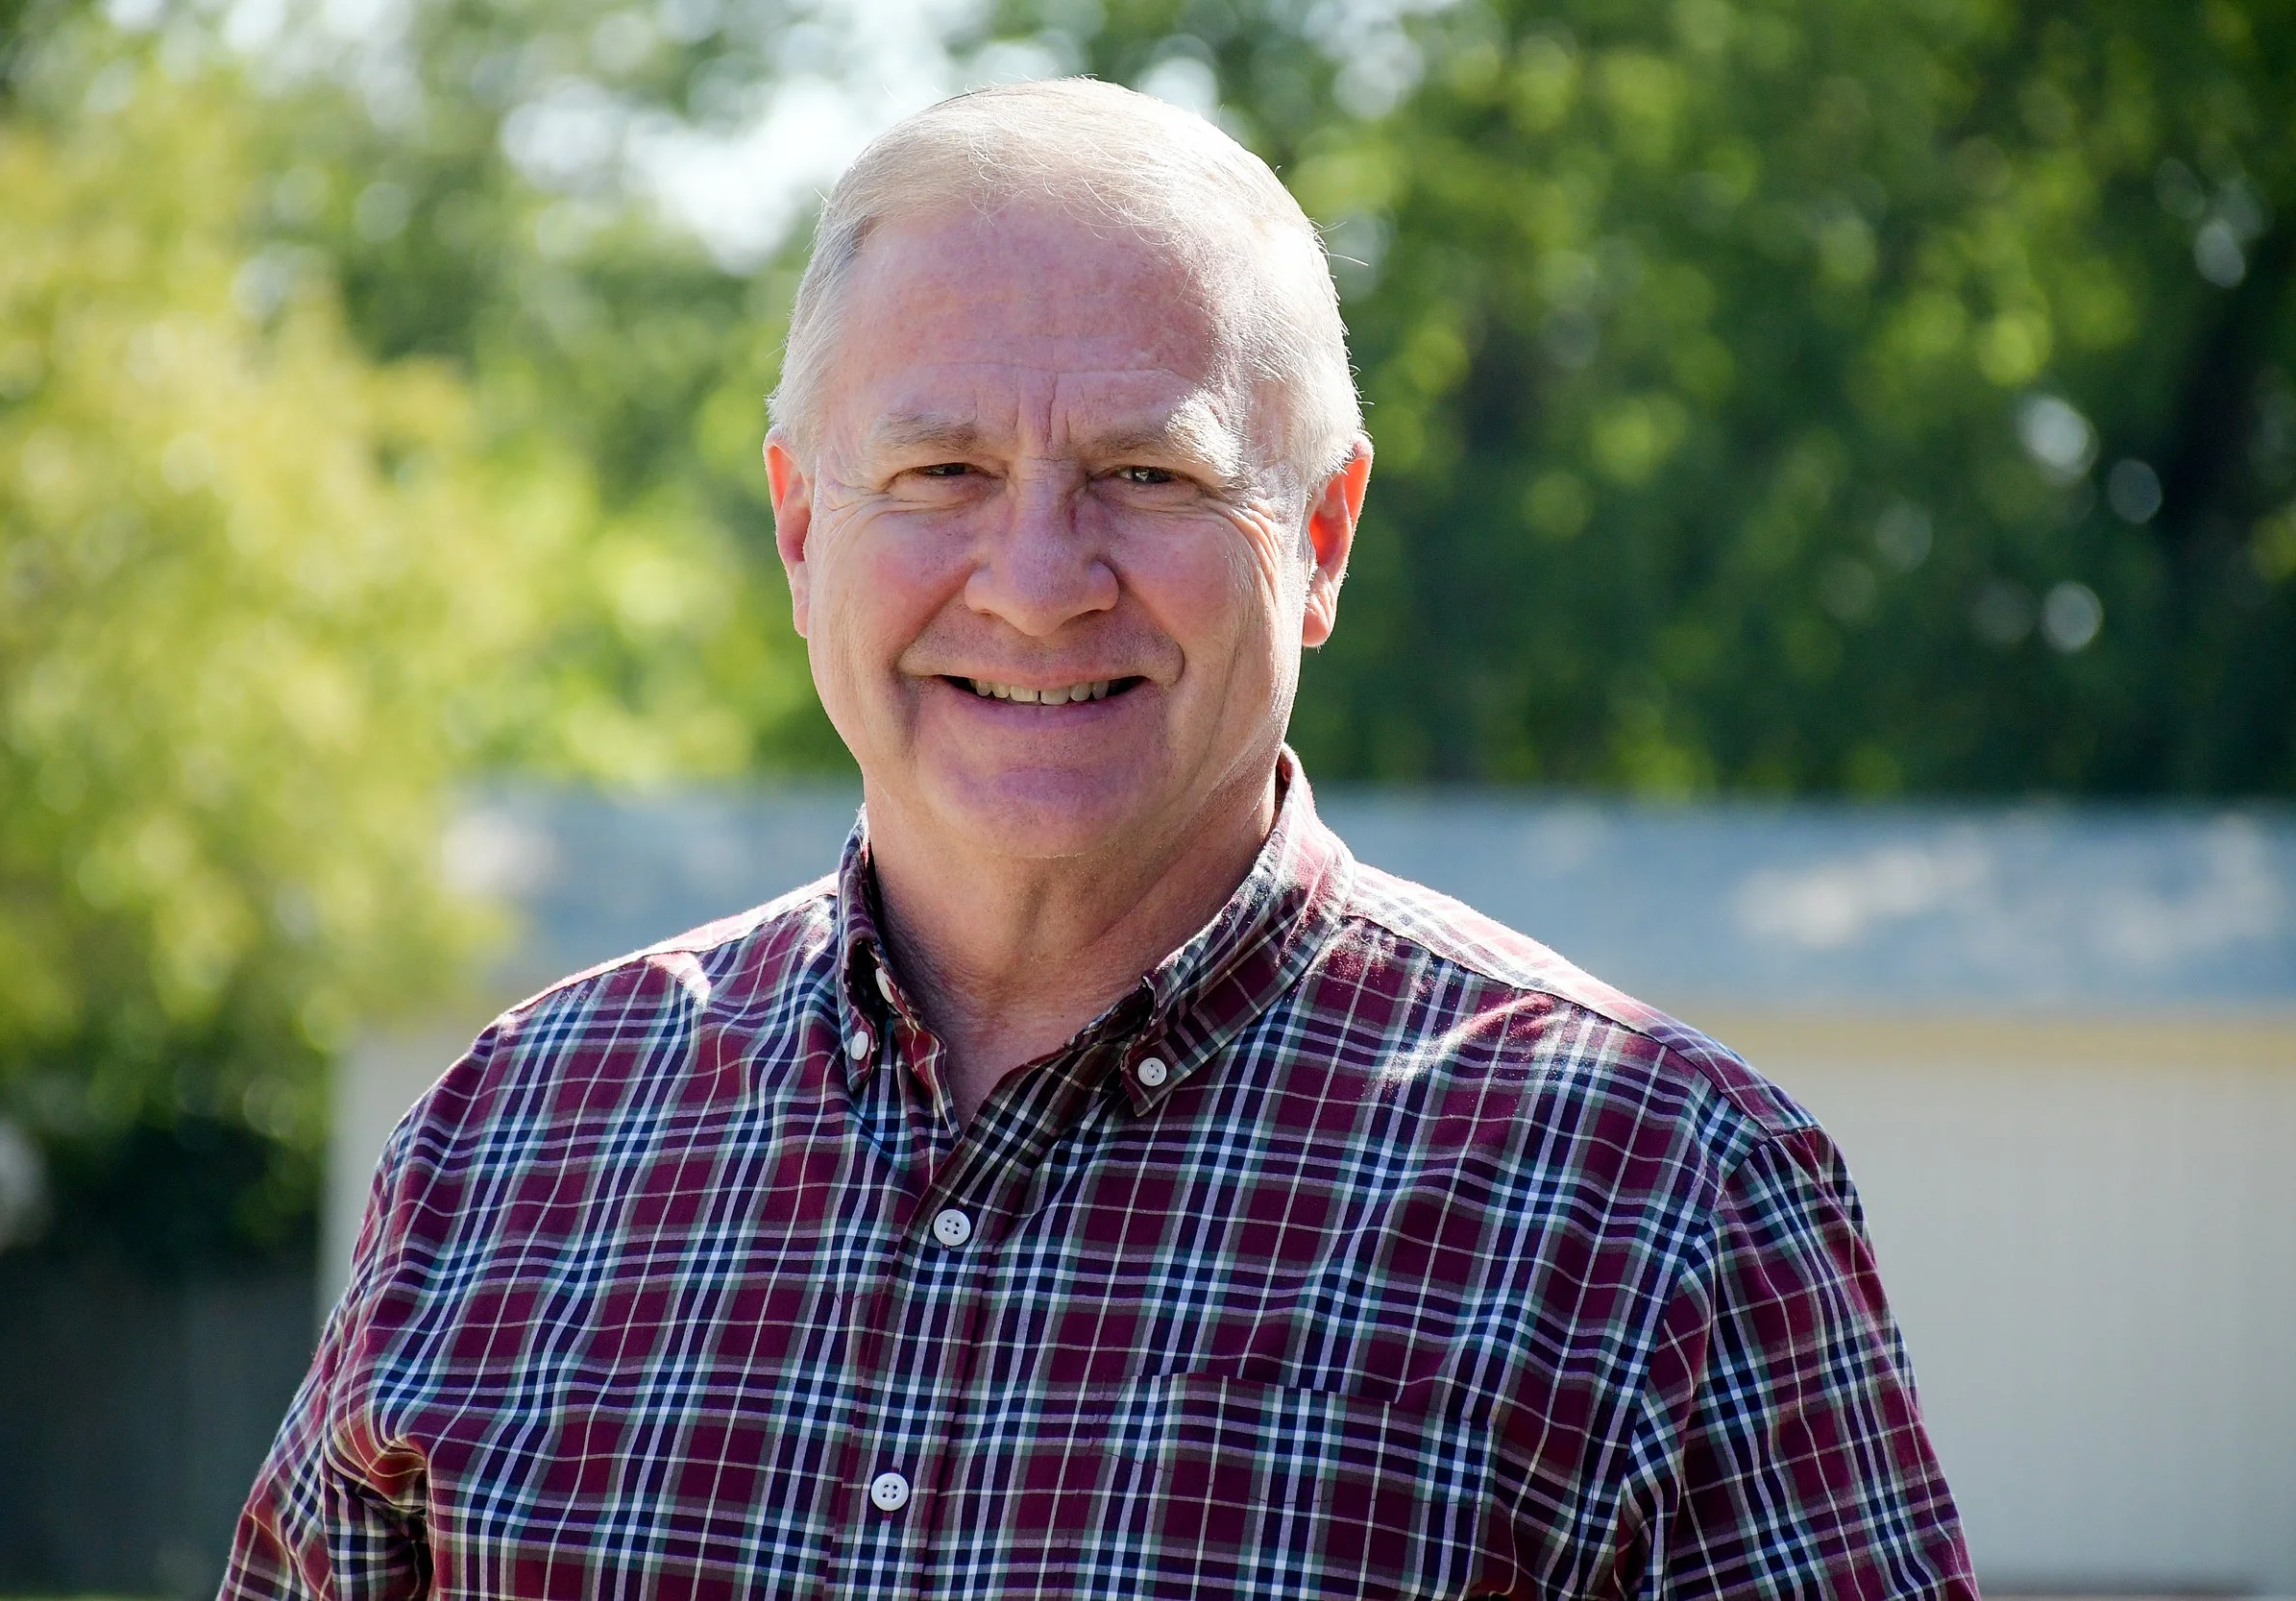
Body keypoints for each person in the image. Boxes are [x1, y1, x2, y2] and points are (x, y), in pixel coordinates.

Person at [223, 78, 1975, 1600]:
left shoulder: (1659, 1202)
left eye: (1149, 473)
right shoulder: (513, 1145)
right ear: (797, 529)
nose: (1042, 582)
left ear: (1324, 535)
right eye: (940, 475)